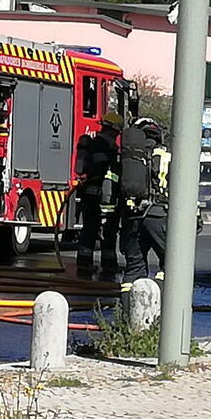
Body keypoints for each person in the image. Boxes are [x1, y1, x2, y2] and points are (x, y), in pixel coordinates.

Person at [119, 118, 169, 289]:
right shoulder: (166, 156)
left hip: (132, 217)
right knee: (170, 265)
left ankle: (127, 312)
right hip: (157, 215)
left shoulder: (128, 156)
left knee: (133, 270)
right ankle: (162, 312)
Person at [77, 112, 123, 272]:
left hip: (99, 194)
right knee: (96, 230)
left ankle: (106, 264)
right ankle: (87, 264)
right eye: (117, 131)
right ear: (113, 129)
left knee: (102, 230)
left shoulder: (103, 143)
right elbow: (101, 168)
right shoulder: (101, 144)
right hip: (100, 195)